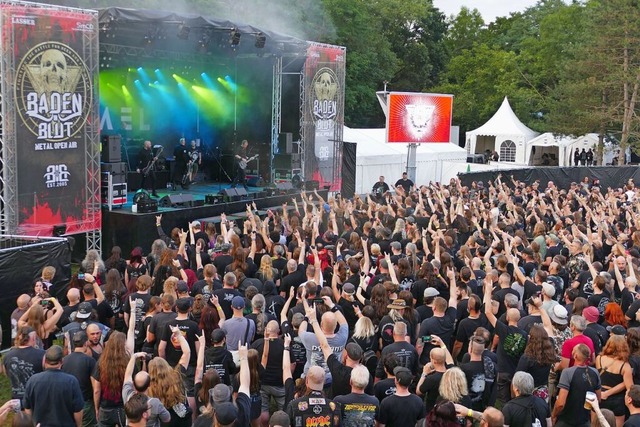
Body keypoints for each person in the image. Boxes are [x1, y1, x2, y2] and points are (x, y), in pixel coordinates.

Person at [22, 345, 84, 427]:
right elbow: (78, 410)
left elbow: (27, 408)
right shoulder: (71, 381)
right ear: (62, 361)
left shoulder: (33, 380)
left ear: (45, 361)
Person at [552, 343, 601, 427]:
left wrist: (553, 415)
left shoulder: (567, 373)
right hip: (585, 420)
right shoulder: (595, 373)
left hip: (566, 420)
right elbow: (598, 399)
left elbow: (560, 403)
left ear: (575, 356)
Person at [62, 331, 98, 427]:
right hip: (85, 403)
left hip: (68, 402)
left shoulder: (64, 360)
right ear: (86, 343)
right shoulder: (90, 361)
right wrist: (97, 406)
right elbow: (95, 386)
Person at [3, 326, 45, 400]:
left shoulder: (7, 356)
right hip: (36, 398)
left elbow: (6, 373)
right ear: (34, 338)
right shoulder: (42, 354)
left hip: (16, 398)